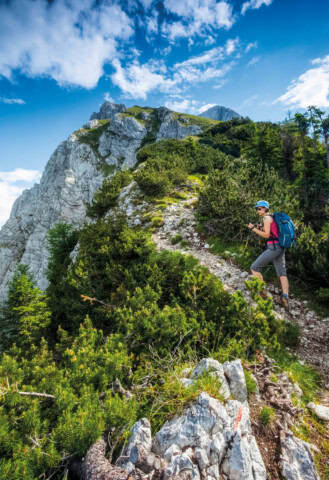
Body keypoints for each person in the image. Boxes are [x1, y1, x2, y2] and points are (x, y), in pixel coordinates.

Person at [248, 200, 289, 309]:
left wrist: (253, 228)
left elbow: (266, 235)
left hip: (273, 248)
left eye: (259, 208)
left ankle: (263, 293)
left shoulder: (266, 218)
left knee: (254, 268)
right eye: (257, 208)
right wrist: (261, 227)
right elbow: (271, 231)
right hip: (280, 247)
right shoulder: (272, 217)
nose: (258, 210)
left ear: (266, 208)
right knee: (282, 272)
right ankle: (285, 298)